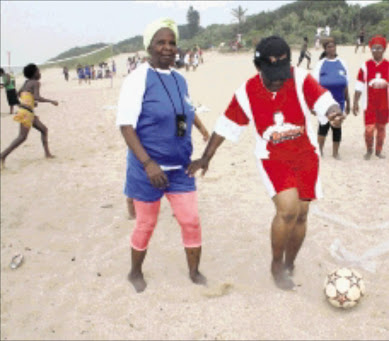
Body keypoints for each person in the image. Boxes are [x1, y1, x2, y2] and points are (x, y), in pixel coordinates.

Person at [186, 36, 345, 290]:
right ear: (258, 67)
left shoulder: (300, 78)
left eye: (282, 74)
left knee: (302, 215)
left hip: (306, 155)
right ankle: (275, 263)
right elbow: (225, 126)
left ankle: (290, 262)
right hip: (273, 158)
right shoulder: (247, 91)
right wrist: (206, 158)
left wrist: (333, 113)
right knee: (287, 210)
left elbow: (324, 100)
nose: (278, 80)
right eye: (272, 75)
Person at [116, 18, 207, 293]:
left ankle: (194, 271)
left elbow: (184, 115)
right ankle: (135, 272)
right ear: (149, 46)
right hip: (148, 170)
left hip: (180, 169)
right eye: (161, 42)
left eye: (172, 43)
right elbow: (126, 125)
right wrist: (148, 163)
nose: (168, 48)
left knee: (190, 219)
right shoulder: (137, 78)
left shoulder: (180, 79)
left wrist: (194, 142)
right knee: (146, 223)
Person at [1, 64, 58, 168]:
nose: (40, 73)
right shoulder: (36, 83)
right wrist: (51, 101)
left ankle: (47, 154)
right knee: (22, 137)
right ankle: (2, 155)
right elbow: (37, 97)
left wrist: (29, 101)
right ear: (34, 73)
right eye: (38, 71)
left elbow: (19, 93)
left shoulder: (26, 82)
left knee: (44, 130)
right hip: (27, 113)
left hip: (27, 111)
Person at [353, 35, 389, 160]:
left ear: (384, 49)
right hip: (369, 104)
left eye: (379, 48)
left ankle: (378, 150)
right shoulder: (365, 66)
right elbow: (358, 86)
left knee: (381, 128)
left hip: (384, 104)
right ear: (371, 50)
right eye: (374, 48)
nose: (377, 51)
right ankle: (369, 149)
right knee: (369, 129)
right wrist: (355, 103)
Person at [312, 38, 351, 159]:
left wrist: (348, 102)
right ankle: (320, 150)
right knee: (323, 127)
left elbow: (345, 84)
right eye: (329, 47)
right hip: (324, 103)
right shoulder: (320, 64)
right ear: (325, 49)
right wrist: (313, 105)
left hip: (339, 101)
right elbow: (313, 86)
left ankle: (335, 153)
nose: (331, 49)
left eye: (333, 46)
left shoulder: (342, 63)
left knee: (337, 127)